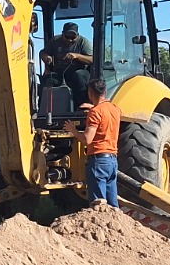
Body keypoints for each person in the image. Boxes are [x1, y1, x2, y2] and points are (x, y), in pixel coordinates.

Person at [79, 77, 121, 207]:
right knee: (113, 206)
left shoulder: (95, 112)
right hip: (112, 162)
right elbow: (106, 112)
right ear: (105, 91)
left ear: (90, 93)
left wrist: (72, 130)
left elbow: (87, 139)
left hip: (98, 162)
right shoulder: (116, 109)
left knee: (98, 206)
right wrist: (94, 106)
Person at [41, 21, 94, 105]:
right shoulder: (55, 41)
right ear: (62, 34)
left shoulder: (83, 42)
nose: (70, 40)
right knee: (48, 79)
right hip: (59, 72)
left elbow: (92, 59)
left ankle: (81, 107)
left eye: (73, 37)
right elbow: (42, 53)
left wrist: (77, 56)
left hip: (78, 71)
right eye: (67, 37)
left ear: (77, 35)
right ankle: (45, 109)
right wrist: (46, 57)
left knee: (79, 76)